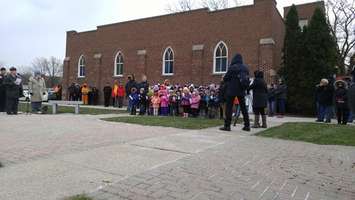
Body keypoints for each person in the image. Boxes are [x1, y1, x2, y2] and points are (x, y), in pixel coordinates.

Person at [220, 54, 251, 132]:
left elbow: (226, 78)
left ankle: (227, 126)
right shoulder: (245, 68)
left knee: (229, 108)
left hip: (232, 90)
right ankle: (247, 125)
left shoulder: (232, 68)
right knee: (243, 108)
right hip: (241, 90)